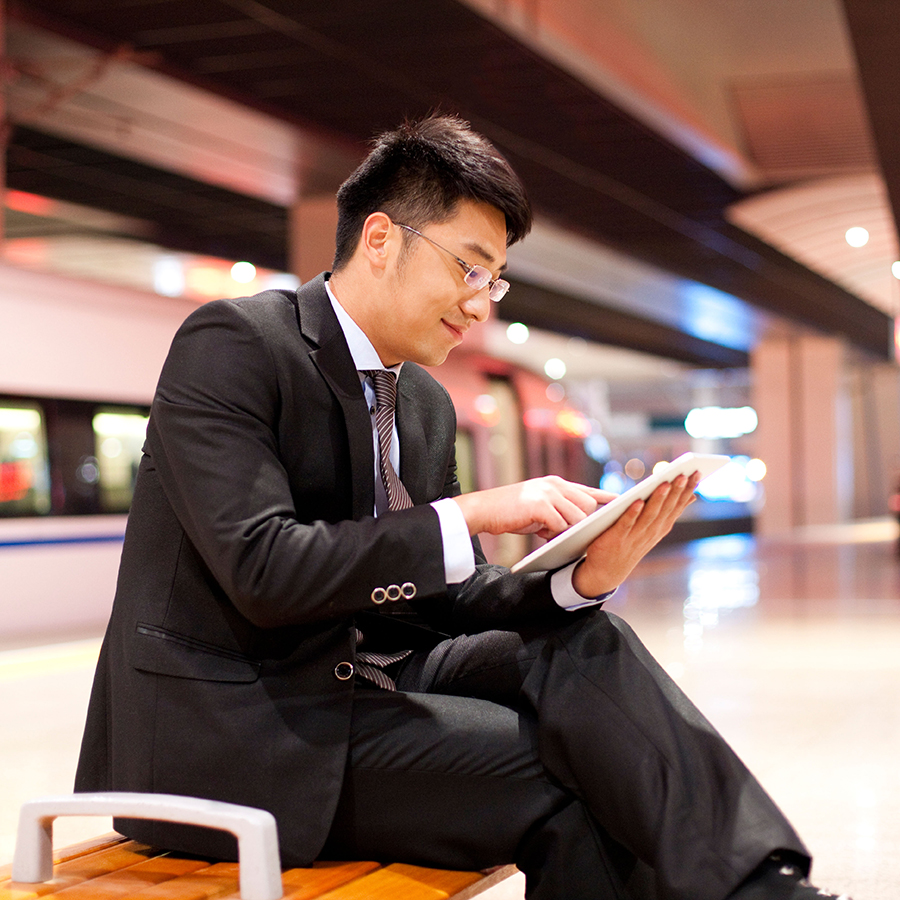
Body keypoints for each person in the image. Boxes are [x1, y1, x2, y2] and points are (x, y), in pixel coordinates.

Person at [75, 115, 851, 900]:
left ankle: (767, 886)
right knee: (573, 782)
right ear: (380, 239)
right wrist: (474, 512)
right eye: (470, 269)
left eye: (495, 280)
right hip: (235, 736)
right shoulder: (236, 345)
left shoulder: (423, 403)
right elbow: (264, 569)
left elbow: (450, 594)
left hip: (366, 689)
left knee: (591, 640)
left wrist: (579, 579)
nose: (482, 303)